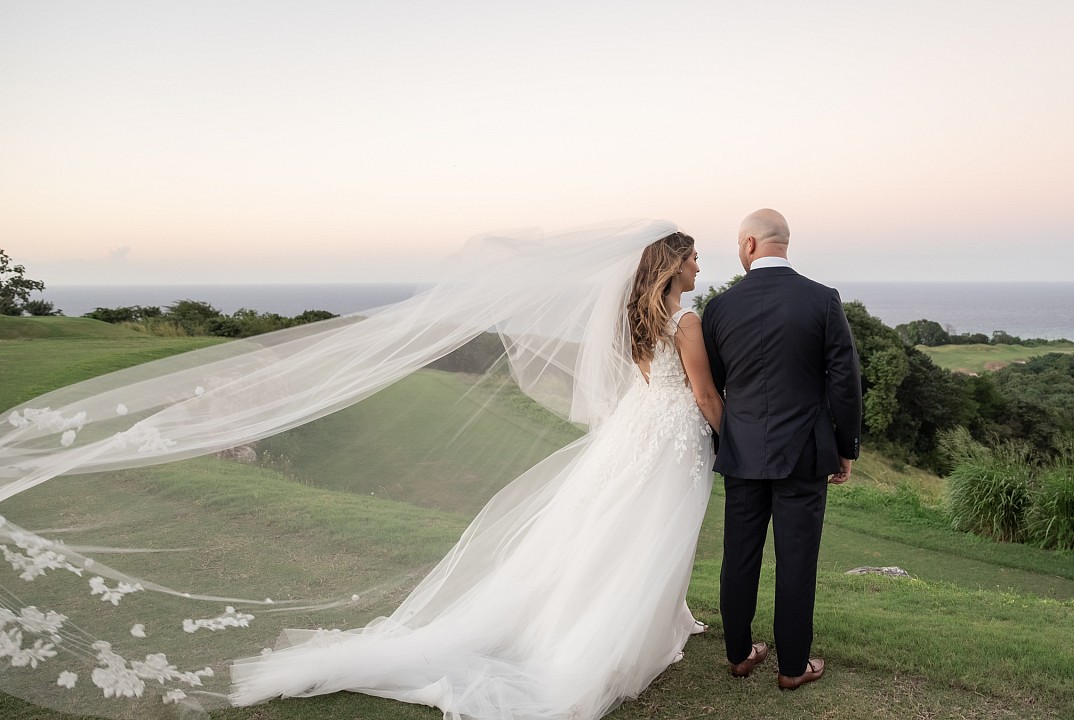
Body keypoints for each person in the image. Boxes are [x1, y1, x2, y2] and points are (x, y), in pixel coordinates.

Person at [227, 230, 723, 719]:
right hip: (670, 433)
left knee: (622, 526)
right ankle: (610, 632)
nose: (700, 267)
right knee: (653, 527)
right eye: (694, 259)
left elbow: (648, 379)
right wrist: (732, 436)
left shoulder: (636, 316)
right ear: (673, 264)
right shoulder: (684, 321)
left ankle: (657, 617)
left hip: (638, 425)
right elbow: (702, 395)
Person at [701, 209, 862, 690]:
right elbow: (845, 382)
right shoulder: (822, 300)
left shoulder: (720, 308)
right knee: (797, 561)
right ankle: (792, 668)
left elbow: (713, 386)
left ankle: (738, 655)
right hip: (805, 454)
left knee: (739, 557)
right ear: (783, 244)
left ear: (749, 244)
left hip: (742, 454)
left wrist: (729, 438)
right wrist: (845, 446)